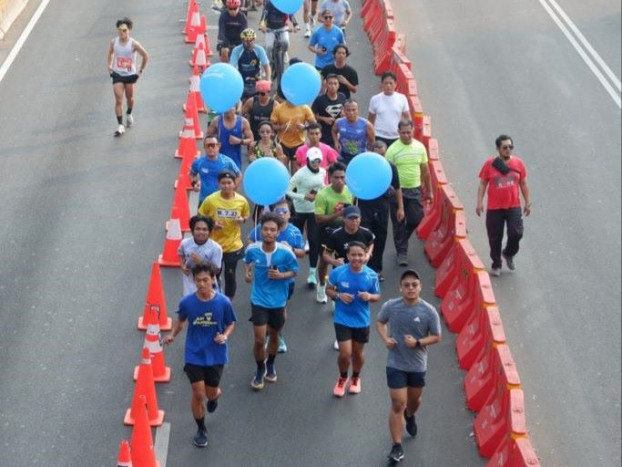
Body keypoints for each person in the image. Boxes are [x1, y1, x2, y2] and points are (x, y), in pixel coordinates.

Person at [162, 263, 237, 448]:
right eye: (198, 281)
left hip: (215, 354)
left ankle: (214, 397)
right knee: (198, 393)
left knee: (211, 393)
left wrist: (224, 336)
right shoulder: (187, 303)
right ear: (193, 281)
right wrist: (172, 335)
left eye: (206, 280)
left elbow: (231, 323)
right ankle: (201, 429)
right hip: (194, 353)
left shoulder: (223, 302)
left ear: (213, 279)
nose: (202, 284)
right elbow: (180, 322)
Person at [375, 269, 441, 464]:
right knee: (397, 403)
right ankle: (397, 447)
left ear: (420, 287)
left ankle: (410, 416)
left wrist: (418, 342)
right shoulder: (391, 306)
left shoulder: (428, 311)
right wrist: (386, 338)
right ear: (400, 288)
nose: (410, 288)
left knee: (414, 401)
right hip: (395, 362)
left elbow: (437, 336)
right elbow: (380, 321)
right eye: (406, 285)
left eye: (414, 285)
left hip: (417, 364)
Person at [244, 213, 299, 390]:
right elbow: (247, 262)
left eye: (272, 230)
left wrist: (282, 275)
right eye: (265, 229)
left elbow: (295, 271)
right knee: (260, 339)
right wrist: (247, 273)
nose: (268, 233)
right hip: (259, 299)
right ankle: (260, 369)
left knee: (274, 336)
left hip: (278, 301)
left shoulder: (285, 253)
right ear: (260, 231)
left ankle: (271, 364)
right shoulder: (252, 250)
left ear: (278, 232)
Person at [249, 198, 305, 353]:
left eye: (284, 211)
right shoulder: (264, 228)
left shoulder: (294, 232)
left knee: (281, 307)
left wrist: (291, 250)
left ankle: (276, 334)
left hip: (285, 279)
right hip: (264, 278)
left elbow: (302, 253)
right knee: (263, 307)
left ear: (290, 214)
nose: (281, 214)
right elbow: (250, 240)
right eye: (278, 211)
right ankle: (268, 334)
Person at [326, 241, 380, 397]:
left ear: (365, 256)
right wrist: (338, 295)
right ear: (348, 256)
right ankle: (343, 377)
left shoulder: (371, 275)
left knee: (357, 353)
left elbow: (377, 295)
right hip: (342, 318)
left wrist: (369, 296)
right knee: (345, 353)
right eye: (353, 255)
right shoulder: (338, 272)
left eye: (360, 255)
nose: (356, 258)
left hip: (362, 320)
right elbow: (328, 289)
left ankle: (355, 378)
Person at [476, 135, 531, 277]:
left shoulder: (519, 163)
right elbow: (483, 183)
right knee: (495, 238)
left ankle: (508, 253)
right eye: (505, 147)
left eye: (510, 147)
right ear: (498, 149)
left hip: (513, 207)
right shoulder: (489, 164)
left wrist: (527, 202)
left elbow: (523, 183)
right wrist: (479, 202)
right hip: (494, 208)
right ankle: (496, 264)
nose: (508, 150)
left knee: (516, 233)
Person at [385, 120, 433, 267]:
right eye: (403, 132)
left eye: (409, 132)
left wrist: (429, 191)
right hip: (396, 190)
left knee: (416, 218)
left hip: (414, 189)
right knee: (398, 221)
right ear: (398, 132)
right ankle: (401, 252)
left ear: (413, 131)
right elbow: (386, 172)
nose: (406, 135)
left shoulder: (419, 148)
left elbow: (425, 170)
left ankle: (402, 239)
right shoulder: (392, 150)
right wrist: (388, 188)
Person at [199, 171, 250, 300]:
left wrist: (242, 220)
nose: (226, 186)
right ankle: (212, 298)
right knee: (213, 274)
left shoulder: (242, 201)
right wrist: (212, 225)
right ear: (218, 184)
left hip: (233, 245)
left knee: (230, 276)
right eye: (223, 183)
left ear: (234, 184)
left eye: (229, 183)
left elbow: (246, 215)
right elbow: (200, 216)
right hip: (214, 245)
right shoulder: (211, 200)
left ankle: (228, 302)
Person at [359, 140, 404, 281]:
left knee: (380, 239)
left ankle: (376, 270)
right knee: (364, 238)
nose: (381, 158)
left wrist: (400, 208)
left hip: (382, 208)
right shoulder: (364, 166)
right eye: (378, 155)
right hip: (364, 207)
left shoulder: (390, 167)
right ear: (372, 152)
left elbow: (397, 188)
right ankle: (362, 267)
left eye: (383, 155)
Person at [314, 162, 353, 303]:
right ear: (330, 177)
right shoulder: (322, 194)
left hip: (344, 231)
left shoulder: (350, 191)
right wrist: (338, 215)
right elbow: (319, 219)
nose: (340, 181)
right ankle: (322, 285)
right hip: (327, 230)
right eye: (336, 177)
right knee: (324, 260)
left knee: (343, 262)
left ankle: (339, 291)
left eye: (342, 177)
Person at [288, 148, 327, 287]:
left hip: (313, 210)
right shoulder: (300, 174)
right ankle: (290, 269)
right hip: (299, 210)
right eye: (313, 161)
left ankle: (312, 274)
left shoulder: (323, 171)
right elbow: (287, 191)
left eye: (318, 161)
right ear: (308, 160)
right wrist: (303, 196)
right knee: (294, 241)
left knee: (314, 240)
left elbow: (322, 186)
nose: (316, 163)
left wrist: (322, 193)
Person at [107, 17, 149, 137]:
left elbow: (145, 55)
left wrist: (140, 71)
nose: (122, 32)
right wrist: (109, 66)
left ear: (129, 30)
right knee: (118, 99)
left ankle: (129, 113)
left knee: (129, 98)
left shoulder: (133, 44)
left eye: (125, 30)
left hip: (130, 75)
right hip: (117, 74)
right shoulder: (114, 42)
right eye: (120, 30)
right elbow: (110, 54)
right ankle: (120, 125)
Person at [190, 136, 242, 208]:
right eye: (207, 146)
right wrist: (194, 184)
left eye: (213, 145)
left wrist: (232, 188)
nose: (210, 148)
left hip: (223, 200)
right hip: (205, 200)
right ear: (204, 147)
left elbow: (239, 175)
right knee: (201, 219)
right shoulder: (198, 162)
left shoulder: (227, 161)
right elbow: (192, 174)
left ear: (218, 146)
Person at [178, 216, 224, 296]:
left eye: (204, 229)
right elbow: (180, 253)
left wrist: (201, 262)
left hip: (207, 286)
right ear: (192, 231)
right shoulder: (185, 243)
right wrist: (182, 266)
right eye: (198, 229)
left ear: (209, 232)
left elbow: (216, 270)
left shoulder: (216, 248)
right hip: (189, 285)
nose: (201, 232)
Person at [270, 97, 316, 173]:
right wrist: (282, 127)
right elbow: (271, 125)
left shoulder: (304, 107)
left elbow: (314, 124)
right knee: (282, 170)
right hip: (283, 143)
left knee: (295, 172)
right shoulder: (279, 108)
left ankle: (294, 185)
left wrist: (304, 127)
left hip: (298, 143)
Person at [367, 72, 410, 148]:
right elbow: (370, 120)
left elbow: (407, 118)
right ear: (382, 84)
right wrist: (370, 137)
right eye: (386, 83)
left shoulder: (402, 98)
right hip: (379, 136)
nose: (388, 86)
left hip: (396, 137)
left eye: (391, 83)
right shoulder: (375, 99)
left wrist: (407, 134)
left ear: (395, 84)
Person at [229, 28, 271, 100]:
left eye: (251, 40)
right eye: (246, 41)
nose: (249, 43)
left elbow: (266, 66)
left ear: (254, 40)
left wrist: (268, 80)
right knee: (235, 99)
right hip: (241, 80)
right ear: (242, 41)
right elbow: (231, 67)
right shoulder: (237, 50)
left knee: (265, 99)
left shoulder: (259, 50)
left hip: (256, 80)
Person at [206, 106, 254, 170]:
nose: (228, 111)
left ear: (235, 109)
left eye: (230, 108)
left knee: (235, 179)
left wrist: (240, 141)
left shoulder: (243, 122)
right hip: (219, 160)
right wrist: (215, 144)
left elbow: (251, 139)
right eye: (226, 109)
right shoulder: (216, 120)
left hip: (235, 162)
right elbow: (207, 138)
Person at [332, 99, 375, 165]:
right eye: (348, 110)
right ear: (344, 111)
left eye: (353, 110)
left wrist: (369, 156)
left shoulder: (366, 124)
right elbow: (334, 131)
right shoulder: (339, 122)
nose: (351, 112)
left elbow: (372, 142)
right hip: (343, 156)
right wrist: (336, 142)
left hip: (360, 157)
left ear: (358, 111)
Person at [312, 74, 346, 147]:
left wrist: (344, 114)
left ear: (338, 85)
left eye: (335, 83)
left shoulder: (342, 97)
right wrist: (323, 119)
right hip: (324, 135)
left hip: (339, 134)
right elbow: (311, 116)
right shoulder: (320, 100)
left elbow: (346, 110)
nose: (333, 86)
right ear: (326, 85)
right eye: (330, 83)